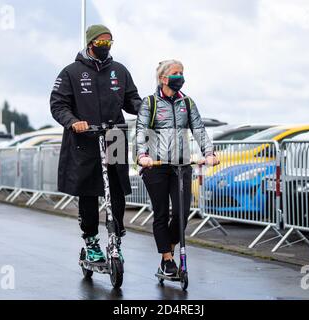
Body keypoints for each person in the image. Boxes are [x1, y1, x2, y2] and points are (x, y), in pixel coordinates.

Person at [50, 24, 141, 264]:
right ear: (90, 43)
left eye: (109, 42)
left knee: (118, 190)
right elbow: (58, 105)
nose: (105, 47)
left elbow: (132, 100)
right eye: (101, 43)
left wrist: (146, 110)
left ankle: (116, 238)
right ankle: (91, 241)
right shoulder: (71, 72)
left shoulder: (119, 71)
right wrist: (73, 122)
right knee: (88, 193)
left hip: (115, 136)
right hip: (85, 140)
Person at [136, 60, 219, 276]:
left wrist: (209, 153)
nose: (179, 76)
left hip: (181, 165)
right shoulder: (150, 103)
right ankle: (166, 259)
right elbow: (141, 130)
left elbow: (199, 129)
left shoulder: (187, 103)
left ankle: (170, 250)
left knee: (183, 211)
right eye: (175, 73)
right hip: (156, 166)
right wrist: (142, 155)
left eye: (182, 73)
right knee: (161, 212)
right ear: (163, 78)